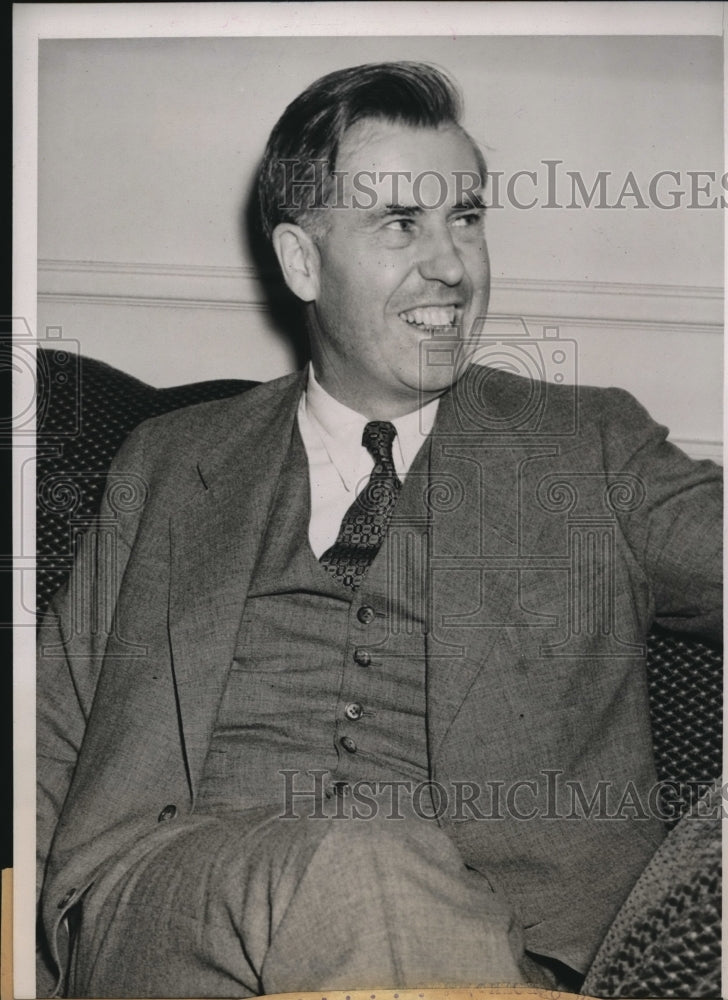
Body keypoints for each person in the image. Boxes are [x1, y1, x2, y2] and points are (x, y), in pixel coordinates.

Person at [36, 61, 722, 998]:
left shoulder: (586, 449)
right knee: (356, 865)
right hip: (170, 913)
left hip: (501, 947)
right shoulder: (170, 461)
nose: (452, 265)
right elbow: (42, 737)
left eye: (467, 218)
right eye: (402, 224)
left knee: (377, 874)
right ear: (302, 262)